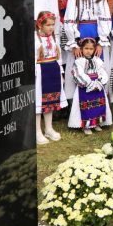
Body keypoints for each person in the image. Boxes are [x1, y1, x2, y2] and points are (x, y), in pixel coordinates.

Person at [68, 38, 111, 135]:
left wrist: (99, 82)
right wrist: (90, 83)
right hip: (85, 88)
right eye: (86, 48)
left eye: (91, 49)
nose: (88, 51)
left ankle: (96, 123)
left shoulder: (98, 60)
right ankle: (86, 125)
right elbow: (78, 74)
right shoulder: (79, 61)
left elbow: (103, 72)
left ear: (94, 49)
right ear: (82, 49)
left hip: (97, 86)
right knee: (86, 106)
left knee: (98, 105)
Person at [34, 11, 64, 145]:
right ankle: (37, 131)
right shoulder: (35, 39)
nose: (51, 28)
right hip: (41, 72)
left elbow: (58, 56)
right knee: (39, 102)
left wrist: (61, 72)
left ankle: (48, 128)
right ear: (40, 25)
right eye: (48, 25)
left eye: (53, 25)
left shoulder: (53, 38)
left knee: (50, 101)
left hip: (53, 71)